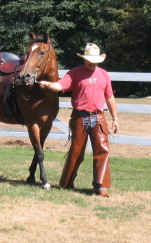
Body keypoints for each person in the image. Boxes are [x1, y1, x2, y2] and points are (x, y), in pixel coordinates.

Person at [39, 43, 119, 197]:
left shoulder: (104, 74)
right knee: (76, 152)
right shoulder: (74, 73)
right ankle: (66, 183)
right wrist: (49, 84)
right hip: (79, 118)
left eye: (94, 60)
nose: (92, 63)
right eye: (89, 59)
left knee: (102, 151)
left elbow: (109, 96)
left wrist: (115, 118)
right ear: (84, 58)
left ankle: (100, 186)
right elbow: (60, 86)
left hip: (99, 117)